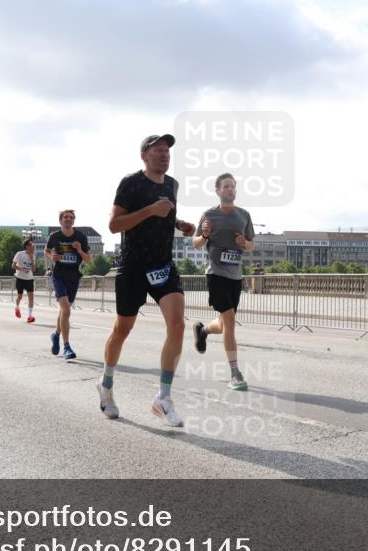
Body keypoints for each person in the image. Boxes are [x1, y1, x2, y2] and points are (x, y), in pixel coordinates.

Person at [98, 134, 195, 426]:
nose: (165, 155)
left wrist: (180, 224)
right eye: (158, 151)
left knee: (178, 324)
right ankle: (106, 385)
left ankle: (163, 397)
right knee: (122, 330)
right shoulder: (131, 183)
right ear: (144, 155)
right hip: (133, 267)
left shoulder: (172, 184)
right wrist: (151, 210)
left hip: (163, 266)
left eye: (167, 151)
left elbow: (167, 215)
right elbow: (114, 225)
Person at [191, 172, 255, 391]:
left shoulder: (244, 215)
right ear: (217, 190)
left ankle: (203, 331)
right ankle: (235, 373)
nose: (231, 189)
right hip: (216, 274)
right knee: (229, 321)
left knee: (225, 323)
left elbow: (251, 245)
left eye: (233, 186)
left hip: (235, 275)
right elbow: (196, 243)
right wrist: (206, 235)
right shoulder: (209, 215)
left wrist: (244, 242)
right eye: (226, 186)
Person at [45, 209, 91, 359]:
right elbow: (46, 251)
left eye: (71, 217)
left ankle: (56, 335)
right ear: (60, 220)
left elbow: (88, 259)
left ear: (74, 221)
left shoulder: (80, 237)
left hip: (74, 277)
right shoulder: (55, 236)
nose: (68, 219)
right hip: (58, 276)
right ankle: (67, 347)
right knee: (66, 310)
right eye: (65, 217)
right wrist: (52, 256)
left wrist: (79, 250)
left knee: (64, 312)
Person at [11, 239, 37, 323]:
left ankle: (30, 316)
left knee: (31, 298)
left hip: (29, 278)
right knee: (20, 296)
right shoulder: (19, 254)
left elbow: (33, 269)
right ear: (27, 246)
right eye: (31, 245)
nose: (33, 247)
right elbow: (13, 265)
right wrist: (22, 269)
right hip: (20, 278)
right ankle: (17, 307)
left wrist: (32, 260)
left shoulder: (33, 255)